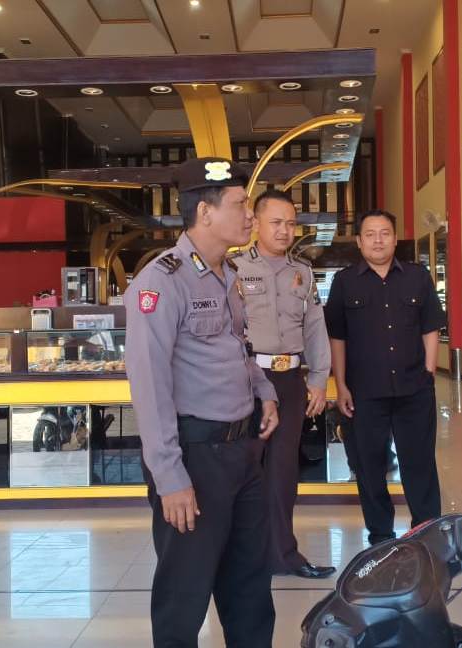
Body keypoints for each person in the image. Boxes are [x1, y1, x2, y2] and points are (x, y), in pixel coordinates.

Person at [124, 157, 280, 647]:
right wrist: (169, 476)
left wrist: (263, 390)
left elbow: (236, 346)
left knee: (250, 586)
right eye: (240, 205)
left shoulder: (227, 272)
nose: (251, 215)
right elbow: (148, 385)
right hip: (194, 457)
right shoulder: (160, 281)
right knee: (184, 592)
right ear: (205, 213)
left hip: (241, 452)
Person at [323, 209, 445, 546]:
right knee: (369, 466)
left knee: (419, 464)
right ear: (359, 241)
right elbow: (337, 337)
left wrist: (429, 372)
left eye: (385, 233)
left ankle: (426, 534)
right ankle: (380, 536)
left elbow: (430, 327)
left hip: (414, 389)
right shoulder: (345, 281)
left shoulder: (417, 277)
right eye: (370, 234)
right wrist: (341, 385)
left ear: (395, 238)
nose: (378, 240)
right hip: (364, 393)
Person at [233, 189, 335, 579]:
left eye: (291, 223)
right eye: (276, 222)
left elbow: (315, 329)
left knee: (283, 471)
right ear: (255, 223)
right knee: (244, 469)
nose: (284, 230)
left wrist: (319, 379)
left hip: (291, 380)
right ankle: (241, 555)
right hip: (247, 380)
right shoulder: (235, 268)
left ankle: (283, 555)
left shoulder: (303, 273)